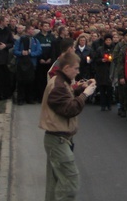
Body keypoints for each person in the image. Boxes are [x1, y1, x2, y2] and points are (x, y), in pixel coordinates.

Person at [39, 51, 96, 201]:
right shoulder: (58, 85)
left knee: (55, 183)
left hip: (58, 139)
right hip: (58, 140)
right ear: (66, 68)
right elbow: (69, 109)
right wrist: (85, 94)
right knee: (70, 182)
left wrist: (80, 88)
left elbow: (67, 94)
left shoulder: (61, 81)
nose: (78, 72)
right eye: (76, 69)